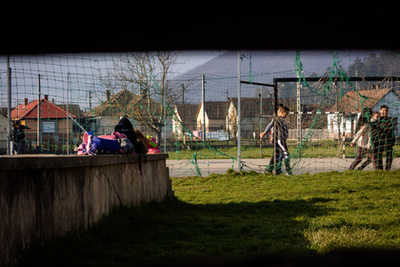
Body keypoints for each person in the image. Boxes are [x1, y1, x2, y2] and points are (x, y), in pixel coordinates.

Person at [261, 105, 292, 175]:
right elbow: (270, 125)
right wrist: (265, 132)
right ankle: (287, 171)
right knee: (286, 154)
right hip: (279, 140)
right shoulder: (277, 118)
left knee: (277, 155)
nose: (287, 115)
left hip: (283, 140)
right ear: (282, 112)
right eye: (286, 113)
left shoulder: (283, 120)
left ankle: (270, 169)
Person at [376, 105, 395, 170]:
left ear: (388, 111)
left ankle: (387, 169)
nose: (384, 112)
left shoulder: (390, 121)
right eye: (383, 110)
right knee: (379, 156)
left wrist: (393, 140)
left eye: (386, 110)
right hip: (379, 141)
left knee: (389, 156)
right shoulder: (377, 121)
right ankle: (380, 170)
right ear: (380, 111)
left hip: (388, 141)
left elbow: (392, 132)